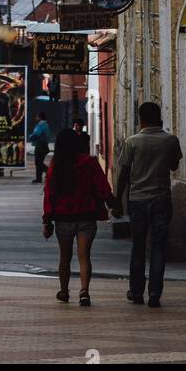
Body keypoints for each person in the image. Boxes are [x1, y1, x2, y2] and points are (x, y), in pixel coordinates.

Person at [114, 101, 182, 308]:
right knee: (159, 247)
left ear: (140, 119)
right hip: (161, 198)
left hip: (138, 200)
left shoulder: (132, 142)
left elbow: (123, 173)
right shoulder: (170, 140)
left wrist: (117, 200)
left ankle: (136, 292)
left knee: (138, 247)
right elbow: (173, 166)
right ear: (160, 118)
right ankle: (154, 293)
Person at [42, 128, 117, 306]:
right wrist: (112, 202)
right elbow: (102, 186)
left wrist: (47, 219)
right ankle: (84, 292)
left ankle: (64, 291)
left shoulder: (57, 164)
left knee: (65, 256)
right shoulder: (90, 163)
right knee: (84, 256)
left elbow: (49, 193)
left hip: (63, 217)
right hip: (86, 216)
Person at [28, 111, 51, 182]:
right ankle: (39, 178)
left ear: (40, 117)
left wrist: (30, 136)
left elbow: (36, 134)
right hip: (44, 146)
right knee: (39, 162)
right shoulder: (46, 125)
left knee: (38, 162)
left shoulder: (40, 125)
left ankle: (49, 172)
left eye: (37, 116)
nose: (36, 117)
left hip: (39, 146)